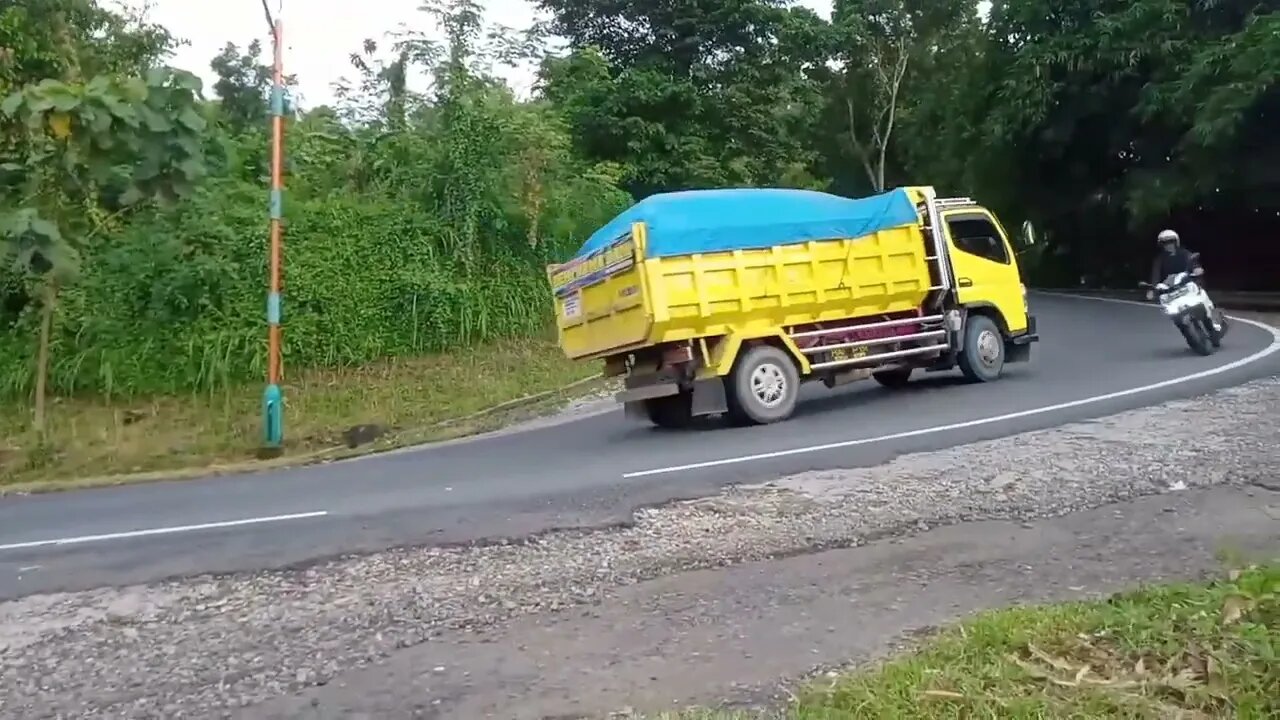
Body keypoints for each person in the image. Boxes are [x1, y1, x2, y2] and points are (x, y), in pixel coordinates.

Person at [1147, 229, 1222, 331]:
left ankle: (1212, 318)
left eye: (1171, 242)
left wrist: (1196, 269)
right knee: (1171, 310)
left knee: (1201, 292)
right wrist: (1152, 289)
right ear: (1161, 245)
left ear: (1176, 242)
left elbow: (1193, 262)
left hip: (1188, 282)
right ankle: (1183, 326)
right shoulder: (1159, 259)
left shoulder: (1184, 253)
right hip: (1171, 288)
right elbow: (1155, 274)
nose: (1168, 245)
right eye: (1165, 243)